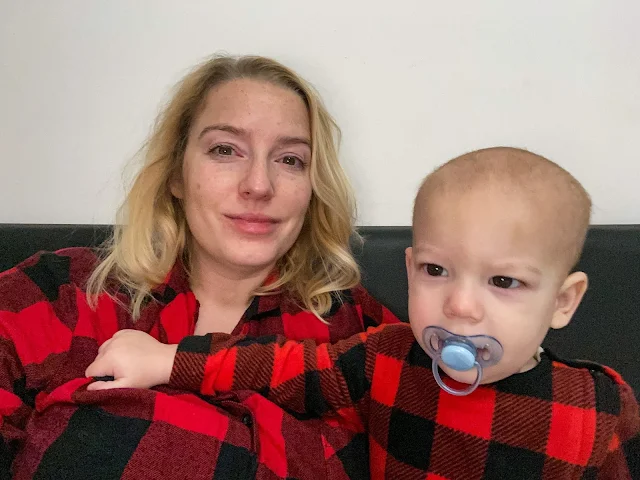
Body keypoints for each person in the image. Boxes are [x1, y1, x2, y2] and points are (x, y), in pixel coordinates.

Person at [92, 147, 640, 479]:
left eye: (503, 281)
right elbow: (279, 367)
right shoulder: (386, 358)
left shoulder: (597, 408)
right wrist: (167, 359)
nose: (461, 305)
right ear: (409, 267)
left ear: (563, 301)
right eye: (436, 271)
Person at [0, 54, 399, 479]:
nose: (259, 185)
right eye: (225, 150)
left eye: (290, 160)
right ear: (176, 173)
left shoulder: (358, 333)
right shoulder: (62, 294)